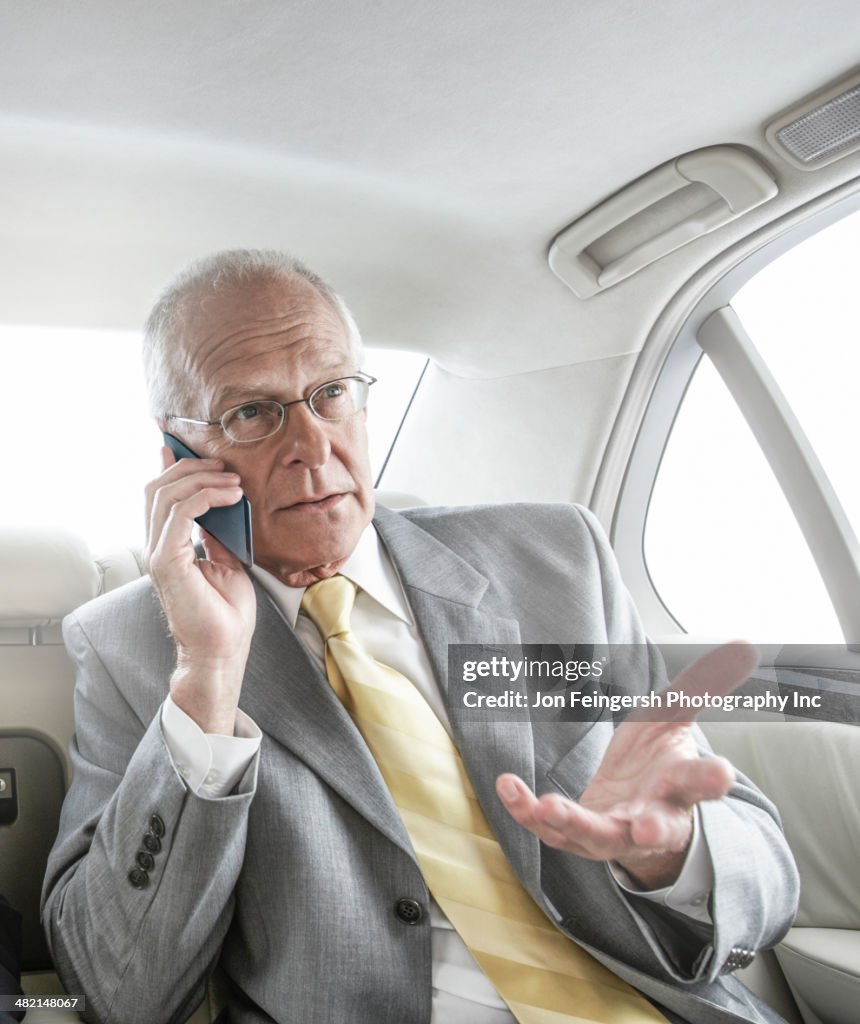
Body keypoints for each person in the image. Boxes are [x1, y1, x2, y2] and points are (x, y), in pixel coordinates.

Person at [42, 250, 798, 1024]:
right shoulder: (130, 646)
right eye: (252, 412)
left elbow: (766, 885)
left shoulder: (553, 562)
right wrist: (208, 675)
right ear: (179, 452)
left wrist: (672, 853)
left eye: (332, 393)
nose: (312, 445)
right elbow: (116, 989)